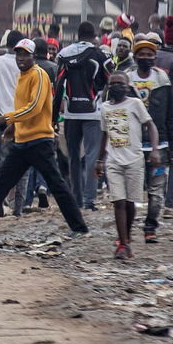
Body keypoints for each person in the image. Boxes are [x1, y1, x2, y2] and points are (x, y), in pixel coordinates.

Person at [0, 39, 88, 244]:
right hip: (23, 141)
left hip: (39, 141)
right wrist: (13, 128)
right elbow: (25, 108)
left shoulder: (38, 75)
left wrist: (7, 118)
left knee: (57, 185)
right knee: (1, 183)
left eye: (25, 55)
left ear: (34, 56)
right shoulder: (23, 76)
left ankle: (79, 227)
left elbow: (35, 107)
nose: (21, 58)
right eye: (18, 54)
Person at [95, 72, 161, 259]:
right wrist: (100, 161)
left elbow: (151, 125)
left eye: (120, 83)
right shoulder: (105, 108)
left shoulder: (135, 104)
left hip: (134, 159)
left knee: (130, 203)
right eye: (112, 83)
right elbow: (105, 134)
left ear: (127, 86)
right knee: (119, 201)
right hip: (114, 160)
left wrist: (154, 150)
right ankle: (123, 244)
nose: (116, 86)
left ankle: (127, 237)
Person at [125, 38, 173, 243]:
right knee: (130, 191)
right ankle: (126, 231)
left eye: (150, 55)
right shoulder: (126, 80)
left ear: (155, 58)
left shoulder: (162, 80)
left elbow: (170, 115)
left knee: (157, 192)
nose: (146, 58)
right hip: (131, 145)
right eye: (142, 54)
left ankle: (151, 227)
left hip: (160, 145)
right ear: (135, 56)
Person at [54, 21, 111, 212]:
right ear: (94, 36)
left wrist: (54, 117)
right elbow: (111, 81)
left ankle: (76, 200)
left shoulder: (64, 54)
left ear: (77, 35)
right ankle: (89, 201)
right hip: (93, 112)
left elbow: (58, 86)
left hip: (70, 112)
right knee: (92, 157)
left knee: (73, 158)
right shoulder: (100, 55)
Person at [0, 30, 29, 215]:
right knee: (23, 163)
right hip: (22, 119)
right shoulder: (26, 64)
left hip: (0, 119)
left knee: (1, 163)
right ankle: (18, 207)